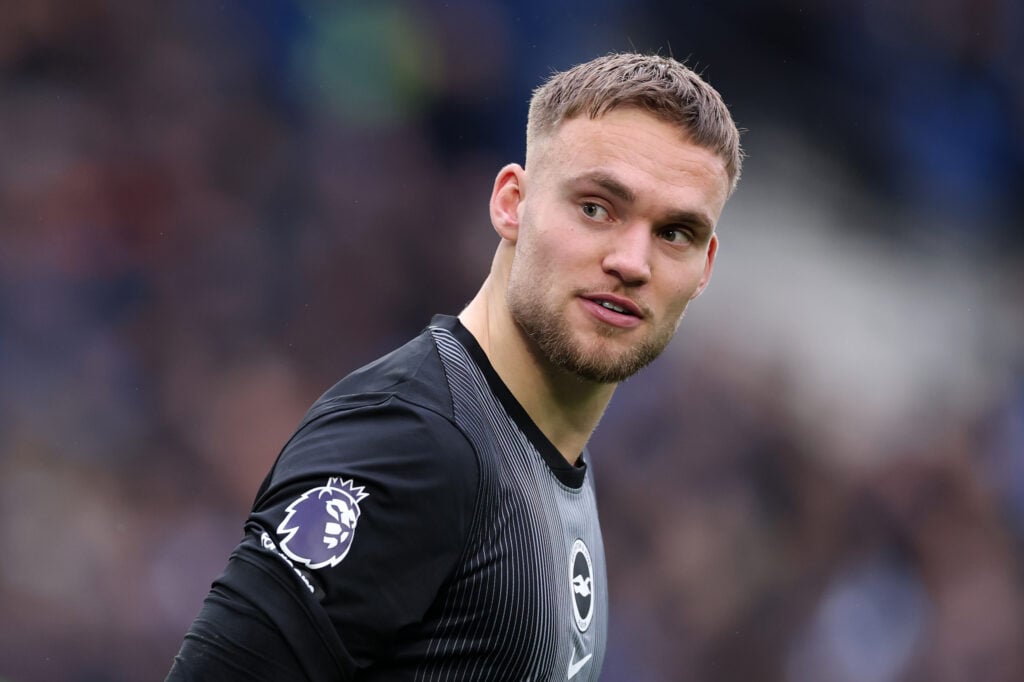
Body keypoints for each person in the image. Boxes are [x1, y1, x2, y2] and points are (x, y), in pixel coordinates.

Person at [167, 51, 742, 681]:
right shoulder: (412, 444)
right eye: (596, 208)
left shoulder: (545, 462)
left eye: (675, 233)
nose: (633, 261)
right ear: (511, 204)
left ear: (705, 269)